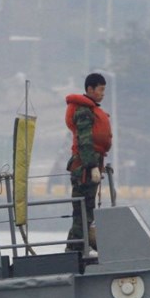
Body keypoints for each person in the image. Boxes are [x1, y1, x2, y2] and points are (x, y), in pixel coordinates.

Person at [64, 73, 112, 255]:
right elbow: (85, 141)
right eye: (100, 89)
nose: (103, 94)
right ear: (90, 89)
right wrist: (92, 167)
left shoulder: (89, 110)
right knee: (83, 209)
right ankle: (74, 248)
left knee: (86, 209)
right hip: (83, 168)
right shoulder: (83, 112)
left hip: (90, 164)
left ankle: (78, 246)